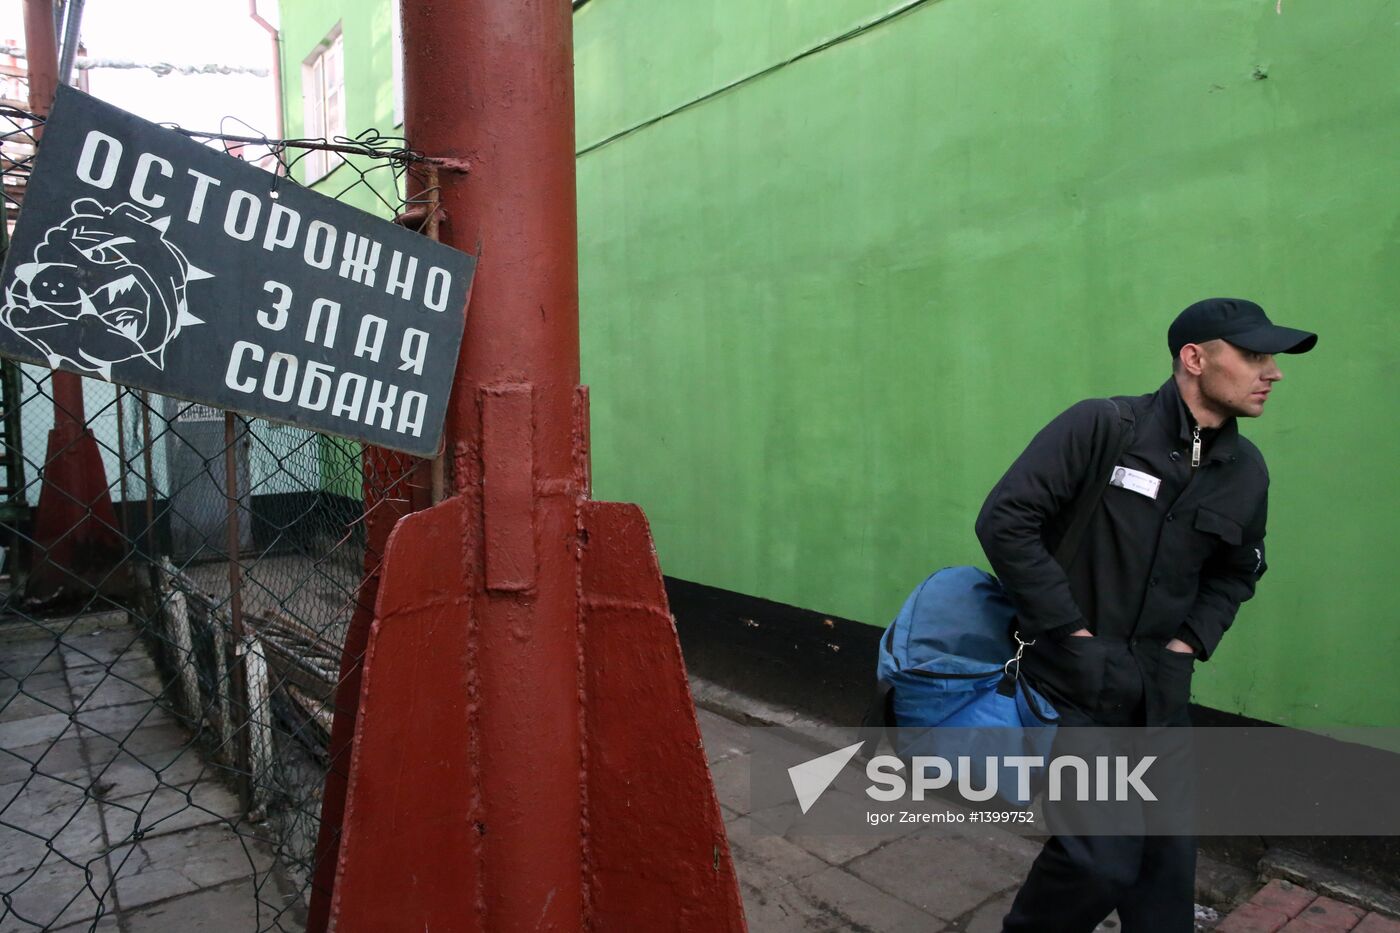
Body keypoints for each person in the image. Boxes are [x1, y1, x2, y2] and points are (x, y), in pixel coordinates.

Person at [974, 297, 1317, 933]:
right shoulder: (1103, 427)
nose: (1273, 372)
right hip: (1073, 686)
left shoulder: (1245, 470)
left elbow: (1237, 571)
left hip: (1161, 697)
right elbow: (1006, 520)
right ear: (1195, 358)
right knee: (1099, 861)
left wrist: (1189, 644)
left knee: (1163, 873)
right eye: (1254, 356)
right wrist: (1070, 632)